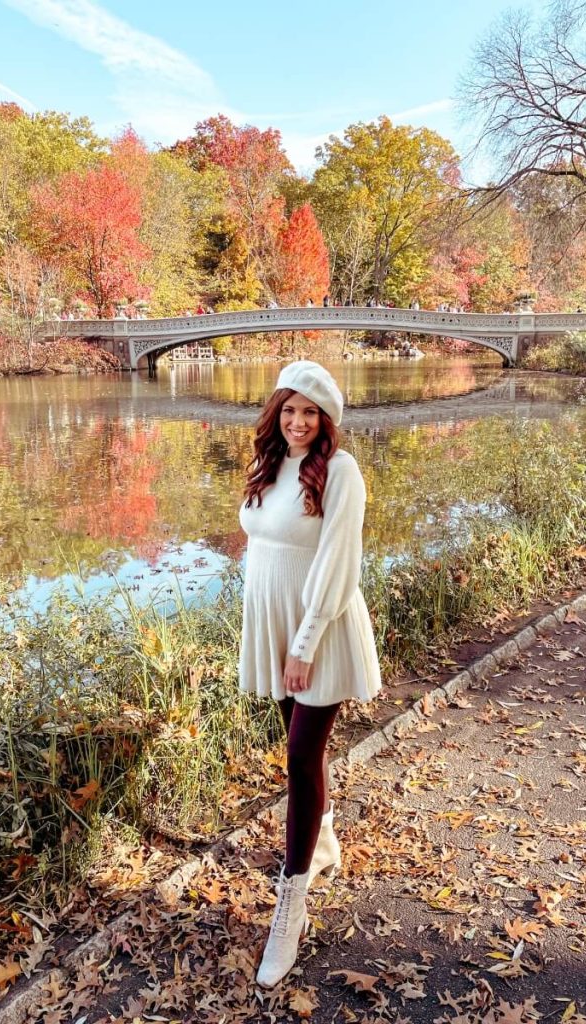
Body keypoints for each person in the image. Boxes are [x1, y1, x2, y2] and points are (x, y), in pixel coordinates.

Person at [239, 361, 381, 987]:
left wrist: (302, 644)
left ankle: (290, 906)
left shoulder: (341, 473)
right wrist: (266, 630)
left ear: (327, 421)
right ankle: (322, 844)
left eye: (311, 413)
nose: (298, 422)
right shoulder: (268, 466)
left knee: (300, 758)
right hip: (275, 625)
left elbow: (338, 563)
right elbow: (264, 547)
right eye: (289, 409)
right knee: (298, 750)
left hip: (317, 632)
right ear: (277, 413)